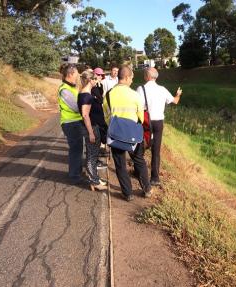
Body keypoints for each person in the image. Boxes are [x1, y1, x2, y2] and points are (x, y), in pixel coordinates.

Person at [108, 66, 152, 201]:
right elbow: (140, 116)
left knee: (120, 164)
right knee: (139, 160)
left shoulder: (109, 94)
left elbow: (106, 114)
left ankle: (128, 194)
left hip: (115, 133)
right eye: (132, 78)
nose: (132, 81)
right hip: (133, 133)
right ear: (126, 78)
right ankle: (147, 189)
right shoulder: (135, 95)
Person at [136, 67, 182, 186]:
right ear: (156, 77)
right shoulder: (162, 89)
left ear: (146, 76)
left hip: (145, 121)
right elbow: (175, 101)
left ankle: (139, 171)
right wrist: (178, 94)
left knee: (140, 146)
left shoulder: (141, 89)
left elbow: (137, 107)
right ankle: (155, 178)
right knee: (156, 150)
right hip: (159, 122)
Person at [77, 69, 108, 191]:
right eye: (95, 78)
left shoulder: (86, 94)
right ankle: (94, 181)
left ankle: (95, 178)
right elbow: (85, 115)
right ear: (90, 80)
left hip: (94, 127)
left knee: (93, 155)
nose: (97, 80)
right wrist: (90, 132)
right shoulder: (86, 96)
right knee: (91, 155)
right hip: (91, 128)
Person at [58, 63, 84, 185]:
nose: (78, 76)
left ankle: (77, 172)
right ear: (71, 74)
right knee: (75, 149)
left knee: (78, 149)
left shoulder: (72, 87)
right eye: (77, 74)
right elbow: (76, 107)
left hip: (75, 122)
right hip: (70, 123)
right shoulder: (64, 90)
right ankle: (74, 176)